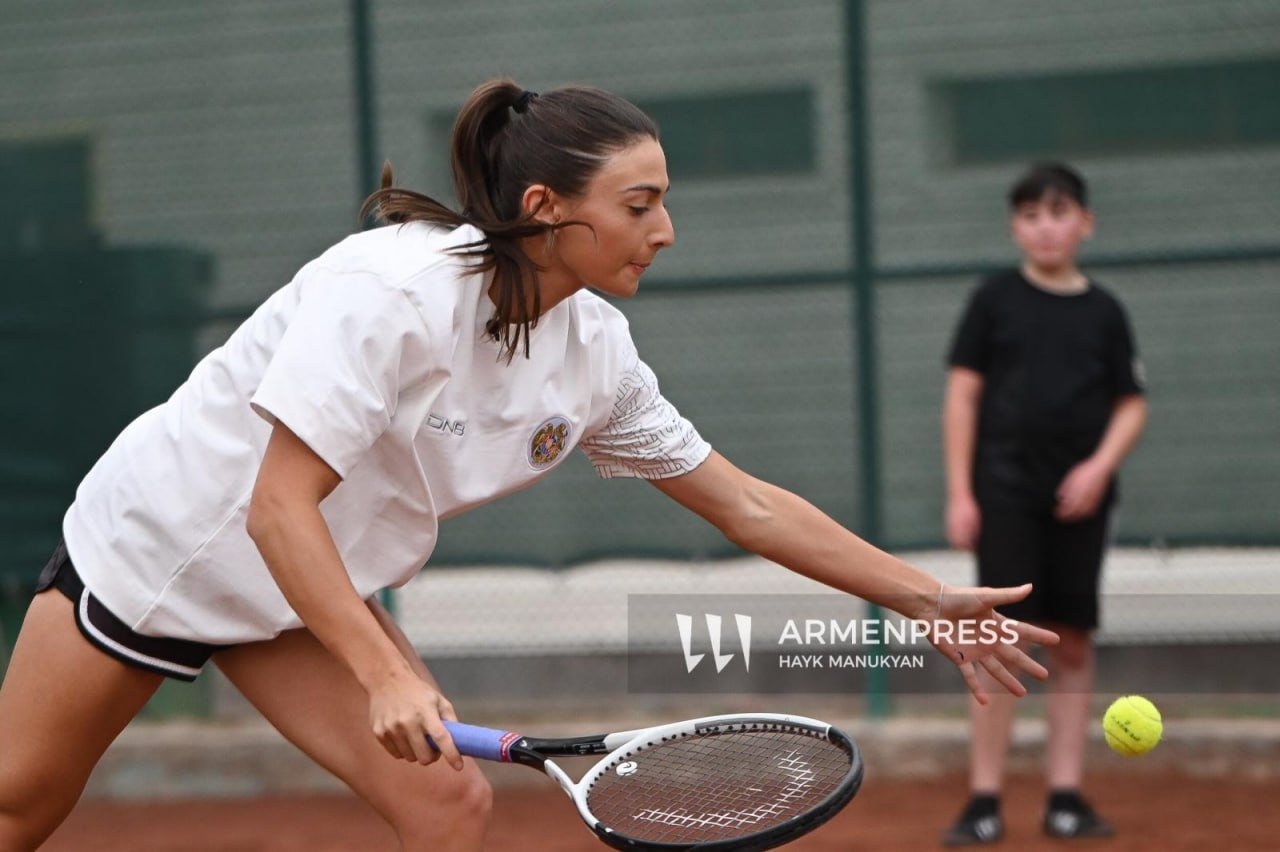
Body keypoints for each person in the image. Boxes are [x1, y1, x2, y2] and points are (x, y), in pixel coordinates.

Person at [0, 79, 1058, 852]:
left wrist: (924, 601)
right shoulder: (397, 294)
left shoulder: (592, 353)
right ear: (548, 208)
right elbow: (276, 506)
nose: (666, 230)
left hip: (301, 593)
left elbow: (742, 503)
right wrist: (380, 675)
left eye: (662, 202)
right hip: (172, 547)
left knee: (445, 802)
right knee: (21, 804)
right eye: (638, 205)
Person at [941, 163, 1148, 845]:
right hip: (1003, 493)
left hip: (1079, 506)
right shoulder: (994, 300)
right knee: (997, 640)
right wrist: (961, 491)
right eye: (1030, 215)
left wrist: (1097, 467)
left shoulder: (1105, 311)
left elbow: (1131, 404)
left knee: (1073, 640)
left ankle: (1065, 796)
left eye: (1058, 212)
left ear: (1084, 222)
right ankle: (984, 801)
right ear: (1015, 227)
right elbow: (962, 396)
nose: (1046, 226)